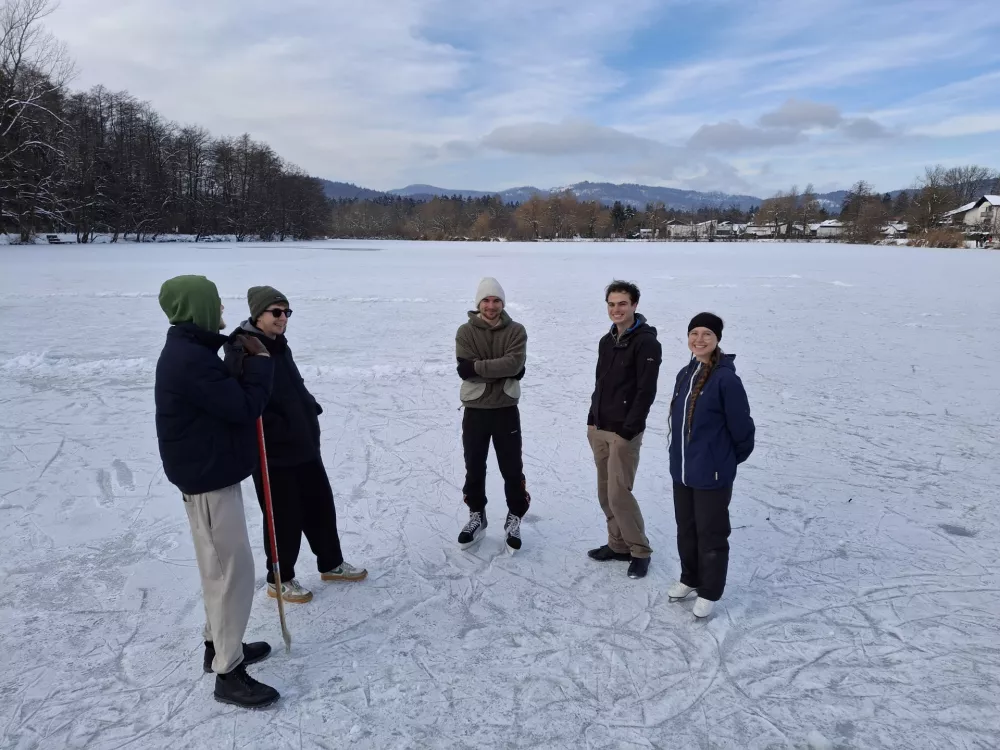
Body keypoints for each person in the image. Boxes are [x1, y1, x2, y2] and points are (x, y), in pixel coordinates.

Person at [154, 274, 280, 708]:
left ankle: (218, 645)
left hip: (209, 472)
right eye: (216, 306)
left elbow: (222, 401)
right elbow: (243, 407)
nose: (223, 314)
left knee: (218, 569)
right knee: (233, 573)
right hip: (208, 478)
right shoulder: (190, 359)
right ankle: (229, 672)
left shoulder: (191, 352)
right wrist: (260, 363)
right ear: (197, 309)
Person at [224, 286, 367, 605]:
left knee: (320, 505)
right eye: (276, 312)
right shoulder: (242, 348)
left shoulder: (278, 344)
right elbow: (243, 401)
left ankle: (331, 563)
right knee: (282, 517)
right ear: (258, 314)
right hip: (273, 450)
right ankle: (279, 578)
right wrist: (279, 423)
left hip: (302, 441)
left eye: (286, 312)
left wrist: (307, 405)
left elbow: (291, 385)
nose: (283, 318)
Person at [667, 313, 755, 619]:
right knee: (686, 530)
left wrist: (724, 461)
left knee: (711, 534)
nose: (699, 339)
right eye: (694, 333)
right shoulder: (684, 374)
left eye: (707, 334)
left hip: (712, 474)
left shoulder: (725, 379)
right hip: (682, 471)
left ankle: (710, 590)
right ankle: (690, 578)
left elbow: (743, 431)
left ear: (717, 339)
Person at [586, 280, 662, 579]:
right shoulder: (607, 341)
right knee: (605, 493)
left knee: (619, 494)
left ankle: (640, 551)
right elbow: (600, 384)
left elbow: (646, 391)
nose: (616, 309)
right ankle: (617, 545)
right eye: (611, 304)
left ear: (634, 306)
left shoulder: (647, 343)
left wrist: (629, 429)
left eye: (622, 304)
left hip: (623, 432)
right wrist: (592, 419)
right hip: (600, 427)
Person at [455, 277, 530, 553]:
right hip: (475, 410)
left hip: (506, 409)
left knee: (512, 468)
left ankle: (514, 516)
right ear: (478, 303)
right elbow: (464, 369)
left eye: (496, 300)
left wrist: (480, 366)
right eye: (486, 300)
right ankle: (477, 515)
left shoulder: (516, 331)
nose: (491, 305)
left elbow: (515, 363)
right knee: (474, 466)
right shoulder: (465, 331)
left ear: (502, 303)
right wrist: (504, 368)